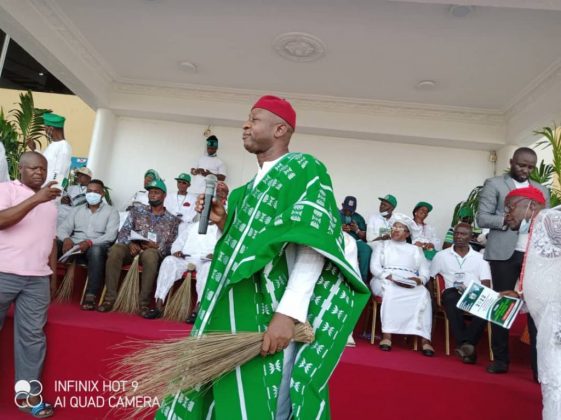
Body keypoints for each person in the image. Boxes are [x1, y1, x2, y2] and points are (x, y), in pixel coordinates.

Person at [156, 95, 369, 420]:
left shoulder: (304, 170)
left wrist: (287, 314)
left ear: (280, 129)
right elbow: (250, 247)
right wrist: (224, 221)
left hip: (271, 315)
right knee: (225, 399)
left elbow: (312, 244)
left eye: (254, 119)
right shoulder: (245, 192)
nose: (245, 125)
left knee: (265, 404)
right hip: (233, 312)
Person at [477, 147, 549, 374]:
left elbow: (547, 222)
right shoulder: (495, 184)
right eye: (521, 165)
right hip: (503, 253)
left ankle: (539, 367)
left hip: (533, 255)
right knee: (503, 304)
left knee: (536, 307)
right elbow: (482, 217)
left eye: (530, 167)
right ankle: (500, 360)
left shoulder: (542, 190)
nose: (525, 170)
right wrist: (507, 219)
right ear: (511, 162)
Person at [0, 151, 61, 418]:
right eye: (34, 168)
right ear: (20, 169)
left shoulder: (50, 203)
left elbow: (50, 241)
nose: (39, 173)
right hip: (3, 273)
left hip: (37, 279)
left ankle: (29, 397)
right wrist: (36, 199)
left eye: (43, 169)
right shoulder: (6, 190)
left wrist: (52, 275)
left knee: (32, 339)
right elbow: (1, 221)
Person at [501, 187, 558, 419]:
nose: (507, 214)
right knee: (552, 381)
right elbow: (547, 270)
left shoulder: (549, 218)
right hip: (547, 319)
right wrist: (522, 294)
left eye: (510, 208)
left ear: (531, 206)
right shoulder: (537, 228)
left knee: (555, 382)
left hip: (556, 321)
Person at [98, 178, 180, 316]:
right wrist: (130, 243)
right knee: (116, 250)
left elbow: (171, 247)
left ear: (164, 195)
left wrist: (157, 247)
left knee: (151, 255)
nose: (152, 195)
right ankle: (109, 299)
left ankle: (143, 304)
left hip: (151, 253)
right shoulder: (136, 211)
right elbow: (124, 232)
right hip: (132, 248)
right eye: (150, 192)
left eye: (156, 192)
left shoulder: (173, 220)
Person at [370, 216, 434, 356]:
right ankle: (387, 336)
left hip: (410, 280)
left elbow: (425, 272)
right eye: (394, 227)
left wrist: (419, 280)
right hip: (385, 278)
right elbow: (374, 267)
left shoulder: (416, 249)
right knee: (390, 290)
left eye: (400, 228)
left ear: (407, 233)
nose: (396, 230)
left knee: (423, 293)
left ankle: (425, 339)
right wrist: (389, 277)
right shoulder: (382, 245)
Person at [430, 222, 492, 363]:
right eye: (457, 233)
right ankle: (468, 346)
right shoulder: (441, 256)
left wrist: (485, 297)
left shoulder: (480, 258)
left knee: (486, 307)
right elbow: (430, 277)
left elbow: (486, 282)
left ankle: (465, 344)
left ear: (470, 237)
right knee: (451, 299)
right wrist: (432, 299)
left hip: (474, 292)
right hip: (452, 291)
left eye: (463, 234)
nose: (459, 236)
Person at [56, 179, 119, 310]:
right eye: (89, 191)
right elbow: (63, 228)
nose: (92, 194)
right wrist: (66, 238)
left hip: (96, 245)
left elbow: (111, 236)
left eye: (96, 192)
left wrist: (90, 242)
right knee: (52, 244)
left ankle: (91, 295)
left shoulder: (111, 211)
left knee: (96, 251)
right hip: (74, 244)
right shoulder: (76, 210)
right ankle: (43, 284)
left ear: (102, 194)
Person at [340, 195, 372, 282]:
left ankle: (362, 279)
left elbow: (365, 237)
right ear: (342, 205)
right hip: (339, 240)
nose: (348, 212)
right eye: (346, 209)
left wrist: (356, 230)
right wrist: (340, 228)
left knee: (366, 249)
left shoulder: (359, 218)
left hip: (355, 241)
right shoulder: (335, 214)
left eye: (351, 210)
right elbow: (327, 228)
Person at [39, 112, 72, 188]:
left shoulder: (64, 147)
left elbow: (60, 173)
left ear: (51, 129)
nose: (45, 131)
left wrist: (50, 190)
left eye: (45, 128)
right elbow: (46, 162)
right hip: (44, 189)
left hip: (51, 190)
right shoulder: (53, 144)